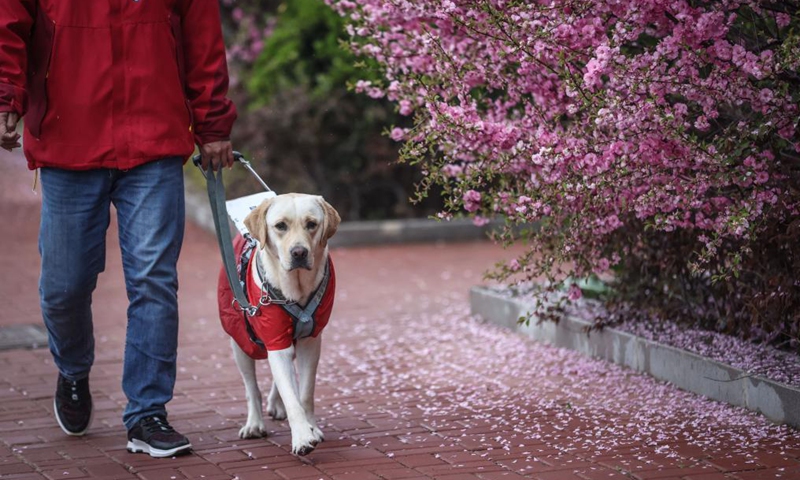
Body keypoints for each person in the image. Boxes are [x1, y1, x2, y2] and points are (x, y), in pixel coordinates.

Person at [0, 1, 237, 457]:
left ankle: (148, 412)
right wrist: (6, 94)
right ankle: (72, 369)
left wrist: (211, 122)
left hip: (155, 137)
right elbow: (9, 20)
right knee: (64, 286)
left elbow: (202, 37)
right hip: (68, 138)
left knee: (153, 279)